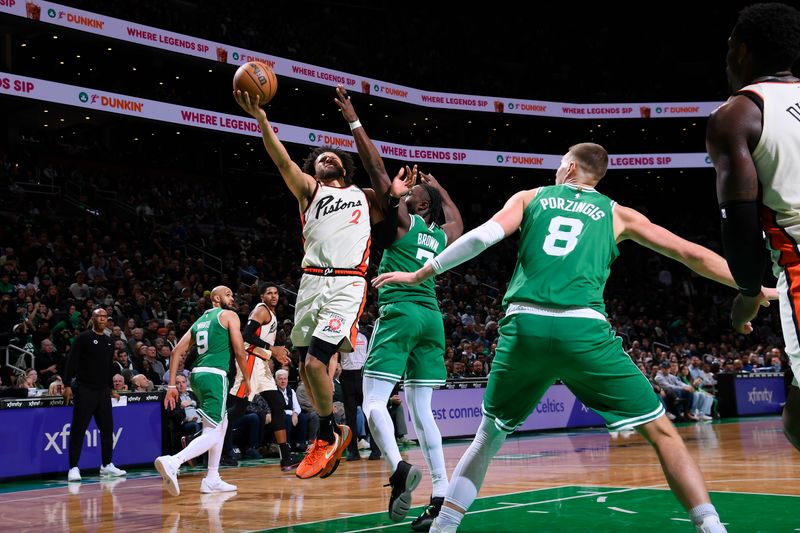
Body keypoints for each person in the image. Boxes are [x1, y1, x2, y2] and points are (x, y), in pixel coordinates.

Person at [374, 143, 776, 533]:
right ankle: (711, 526)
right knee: (663, 434)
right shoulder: (620, 214)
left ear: (568, 168)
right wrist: (754, 287)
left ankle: (444, 526)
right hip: (583, 329)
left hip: (524, 326)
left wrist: (420, 273)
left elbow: (481, 237)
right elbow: (692, 255)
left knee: (488, 436)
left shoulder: (531, 197)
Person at [235, 87, 388, 479]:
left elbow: (378, 171)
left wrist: (354, 120)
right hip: (310, 284)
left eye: (333, 156)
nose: (328, 158)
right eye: (321, 158)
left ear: (344, 167)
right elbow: (281, 159)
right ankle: (330, 428)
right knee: (306, 367)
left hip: (346, 284)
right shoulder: (309, 190)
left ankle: (327, 432)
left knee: (318, 362)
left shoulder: (365, 195)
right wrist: (262, 120)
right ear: (314, 170)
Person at [335, 82, 465, 528]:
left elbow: (376, 173)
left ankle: (398, 468)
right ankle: (442, 493)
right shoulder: (440, 235)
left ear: (413, 203)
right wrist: (439, 188)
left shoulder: (404, 223)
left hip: (402, 313)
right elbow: (456, 220)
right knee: (422, 410)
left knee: (372, 402)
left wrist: (355, 121)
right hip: (433, 320)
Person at [705, 2, 800, 452]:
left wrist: (747, 294)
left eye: (728, 46)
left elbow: (740, 223)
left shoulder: (738, 114)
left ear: (742, 50)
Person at [154, 286, 251, 496]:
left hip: (197, 376)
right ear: (216, 298)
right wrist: (247, 378)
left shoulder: (200, 321)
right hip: (215, 375)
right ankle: (174, 461)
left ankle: (212, 478)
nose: (232, 298)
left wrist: (171, 385)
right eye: (228, 294)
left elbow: (176, 351)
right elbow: (240, 351)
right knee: (213, 432)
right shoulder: (229, 315)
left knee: (221, 422)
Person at [229, 284, 298, 471]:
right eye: (269, 293)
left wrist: (273, 354)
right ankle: (201, 438)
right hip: (250, 362)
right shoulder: (261, 310)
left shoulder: (271, 314)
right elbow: (247, 335)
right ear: (262, 296)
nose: (274, 296)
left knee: (277, 406)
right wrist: (272, 349)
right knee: (239, 409)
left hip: (261, 363)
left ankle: (286, 456)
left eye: (276, 293)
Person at [62, 308, 127, 482]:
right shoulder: (83, 338)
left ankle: (106, 465)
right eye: (99, 316)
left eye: (105, 316)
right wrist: (67, 384)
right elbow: (71, 361)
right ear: (93, 319)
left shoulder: (108, 341)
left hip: (103, 392)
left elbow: (107, 367)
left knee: (107, 429)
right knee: (78, 430)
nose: (102, 319)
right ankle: (74, 467)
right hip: (85, 389)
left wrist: (111, 387)